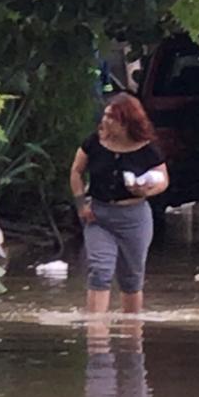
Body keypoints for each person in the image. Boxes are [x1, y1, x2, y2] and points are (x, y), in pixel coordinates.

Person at [70, 93, 169, 314]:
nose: (105, 121)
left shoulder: (147, 148)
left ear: (126, 122)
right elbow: (76, 171)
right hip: (99, 216)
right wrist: (81, 205)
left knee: (131, 277)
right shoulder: (94, 142)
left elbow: (163, 180)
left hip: (134, 217)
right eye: (105, 115)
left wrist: (146, 189)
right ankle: (96, 332)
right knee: (99, 270)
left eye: (111, 117)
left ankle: (132, 334)